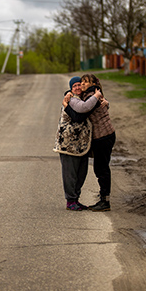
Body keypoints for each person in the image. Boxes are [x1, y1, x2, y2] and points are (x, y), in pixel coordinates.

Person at [63, 73, 115, 211]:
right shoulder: (89, 95)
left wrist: (66, 105)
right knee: (100, 169)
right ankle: (103, 198)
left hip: (103, 136)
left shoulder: (92, 95)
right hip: (102, 137)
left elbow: (82, 112)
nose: (82, 85)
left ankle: (105, 201)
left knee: (101, 169)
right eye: (80, 83)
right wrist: (68, 94)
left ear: (93, 84)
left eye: (84, 82)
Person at [54, 76, 99, 211]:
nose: (78, 87)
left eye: (80, 85)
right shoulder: (72, 100)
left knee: (81, 173)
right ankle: (70, 200)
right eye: (75, 86)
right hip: (68, 144)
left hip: (81, 145)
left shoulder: (83, 99)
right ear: (71, 89)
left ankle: (76, 199)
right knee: (70, 174)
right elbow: (78, 117)